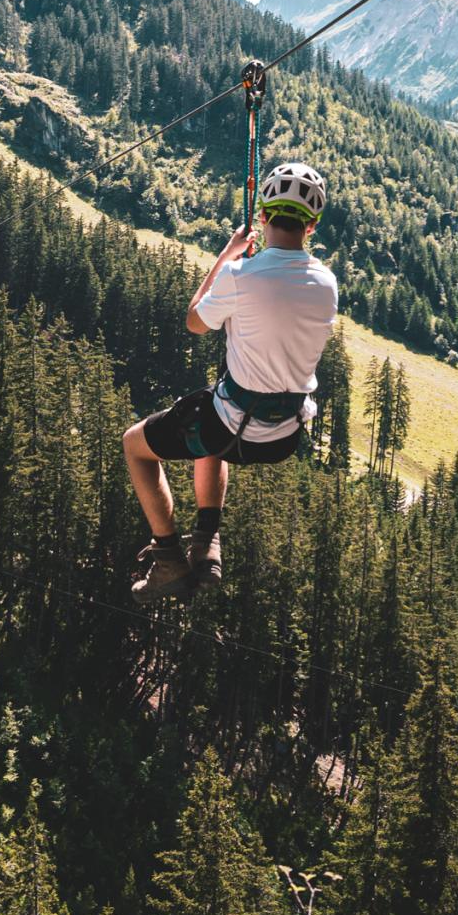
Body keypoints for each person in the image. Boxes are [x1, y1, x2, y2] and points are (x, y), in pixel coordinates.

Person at [123, 161, 339, 601]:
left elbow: (194, 322)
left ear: (262, 217)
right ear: (312, 226)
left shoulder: (240, 275)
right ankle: (207, 544)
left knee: (136, 445)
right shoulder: (326, 284)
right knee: (210, 410)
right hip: (283, 436)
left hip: (230, 427)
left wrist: (227, 257)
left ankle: (168, 560)